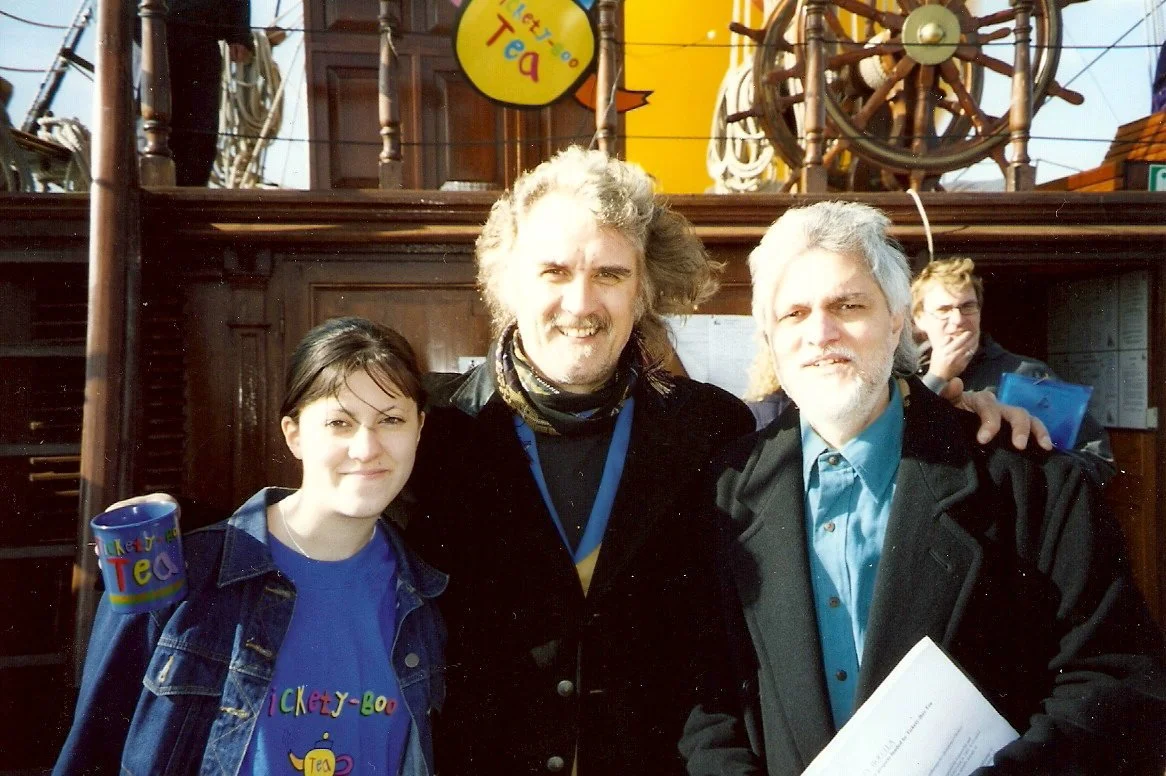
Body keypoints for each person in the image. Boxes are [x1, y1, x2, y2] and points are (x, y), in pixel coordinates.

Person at [681, 201, 1166, 775]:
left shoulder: (1031, 482)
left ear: (897, 321)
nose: (821, 333)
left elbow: (1117, 679)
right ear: (770, 335)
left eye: (848, 305)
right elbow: (701, 702)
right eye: (794, 313)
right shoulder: (719, 494)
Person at [54, 317, 446, 775]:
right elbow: (91, 750)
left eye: (391, 419)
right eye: (339, 422)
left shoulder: (429, 596)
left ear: (419, 428)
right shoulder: (179, 571)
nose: (366, 447)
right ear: (294, 434)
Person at [912, 256, 1116, 484]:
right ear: (919, 319)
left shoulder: (1027, 373)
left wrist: (1031, 474)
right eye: (944, 309)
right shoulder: (903, 377)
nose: (958, 319)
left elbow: (1097, 459)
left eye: (967, 306)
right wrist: (936, 378)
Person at [162, 0, 254, 186]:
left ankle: (192, 193)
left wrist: (239, 34)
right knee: (151, 123)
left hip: (203, 37)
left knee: (200, 130)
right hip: (153, 35)